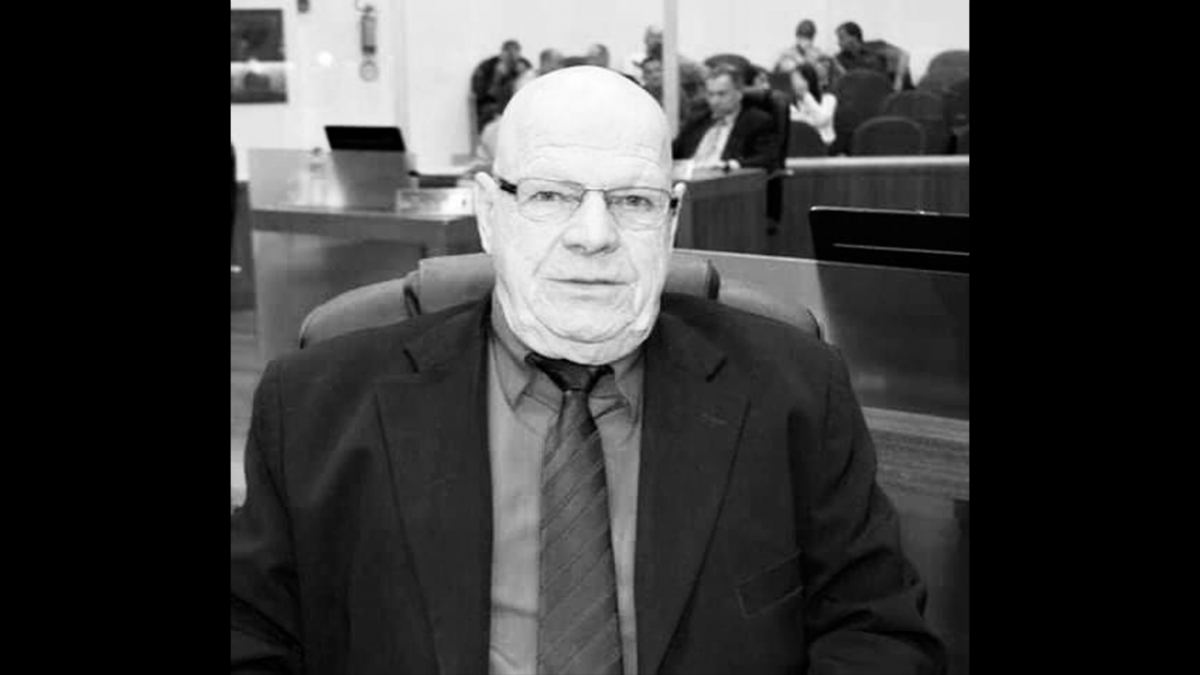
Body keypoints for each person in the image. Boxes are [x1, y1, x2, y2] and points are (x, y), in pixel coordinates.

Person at [231, 65, 944, 674]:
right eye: (551, 195)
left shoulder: (796, 391)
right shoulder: (314, 405)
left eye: (633, 201)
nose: (594, 236)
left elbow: (879, 634)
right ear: (489, 213)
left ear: (670, 222)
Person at [671, 63, 783, 171]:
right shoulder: (697, 120)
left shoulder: (758, 121)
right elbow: (671, 152)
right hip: (689, 178)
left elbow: (767, 159)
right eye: (710, 94)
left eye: (721, 94)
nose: (714, 101)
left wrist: (730, 165)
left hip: (726, 179)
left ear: (739, 93)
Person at [471, 39, 534, 132]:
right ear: (502, 54)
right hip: (493, 108)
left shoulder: (524, 64)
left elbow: (531, 91)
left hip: (517, 107)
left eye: (515, 55)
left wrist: (524, 75)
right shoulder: (487, 67)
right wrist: (497, 78)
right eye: (509, 54)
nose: (512, 60)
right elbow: (481, 94)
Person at [835, 21, 913, 91]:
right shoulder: (840, 58)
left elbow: (904, 55)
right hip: (864, 93)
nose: (838, 42)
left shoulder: (875, 46)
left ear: (854, 37)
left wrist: (898, 81)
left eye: (841, 38)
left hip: (886, 89)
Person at [774, 19, 843, 91]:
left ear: (813, 36)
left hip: (817, 93)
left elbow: (838, 75)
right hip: (792, 92)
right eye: (802, 33)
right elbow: (776, 75)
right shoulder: (784, 55)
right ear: (796, 33)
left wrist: (831, 62)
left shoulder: (822, 56)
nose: (804, 38)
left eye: (808, 34)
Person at [788, 61, 837, 147]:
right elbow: (797, 126)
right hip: (800, 146)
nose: (796, 84)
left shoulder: (829, 99)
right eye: (794, 79)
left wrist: (806, 97)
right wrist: (809, 121)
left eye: (800, 79)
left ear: (811, 80)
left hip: (825, 146)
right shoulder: (790, 104)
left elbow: (821, 120)